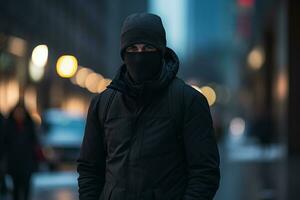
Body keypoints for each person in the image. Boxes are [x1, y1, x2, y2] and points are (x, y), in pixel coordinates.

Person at [77, 13, 220, 200]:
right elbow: (90, 169)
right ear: (123, 53)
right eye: (133, 48)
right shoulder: (103, 104)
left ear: (160, 51)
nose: (139, 55)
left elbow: (204, 173)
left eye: (148, 47)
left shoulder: (188, 101)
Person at [5, 102, 38, 200]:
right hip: (14, 163)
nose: (19, 114)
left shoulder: (29, 126)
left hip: (27, 163)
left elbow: (34, 144)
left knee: (26, 189)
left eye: (21, 112)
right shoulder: (9, 126)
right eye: (17, 112)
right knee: (15, 189)